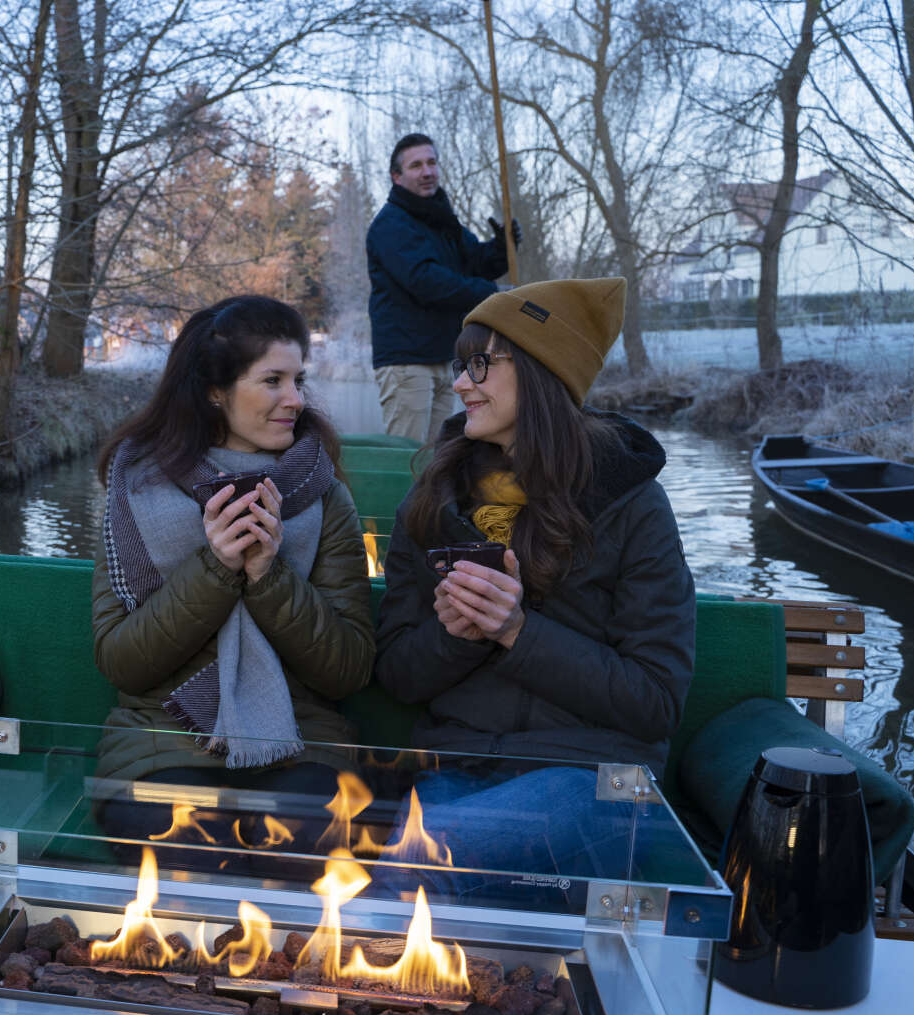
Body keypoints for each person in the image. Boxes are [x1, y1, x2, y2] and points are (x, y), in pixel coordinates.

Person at [372, 277, 696, 893]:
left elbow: (655, 702)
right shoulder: (433, 500)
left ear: (544, 374)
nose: (461, 383)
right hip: (459, 768)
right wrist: (459, 634)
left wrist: (517, 631)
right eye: (459, 367)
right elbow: (398, 675)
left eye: (480, 365)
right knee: (411, 861)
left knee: (420, 870)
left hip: (595, 780)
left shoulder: (633, 505)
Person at [92, 295, 375, 869]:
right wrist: (216, 568)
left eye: (298, 379)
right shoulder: (137, 492)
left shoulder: (326, 498)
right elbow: (122, 662)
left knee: (300, 843)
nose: (295, 399)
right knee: (185, 848)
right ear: (214, 391)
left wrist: (269, 576)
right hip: (160, 742)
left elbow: (347, 669)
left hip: (300, 742)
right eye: (272, 380)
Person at [366, 133, 521, 444]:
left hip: (441, 355)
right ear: (397, 177)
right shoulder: (390, 225)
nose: (427, 171)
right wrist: (492, 293)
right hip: (407, 361)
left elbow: (475, 262)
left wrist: (502, 247)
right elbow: (428, 283)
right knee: (407, 457)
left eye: (432, 162)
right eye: (416, 165)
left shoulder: (442, 222)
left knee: (437, 456)